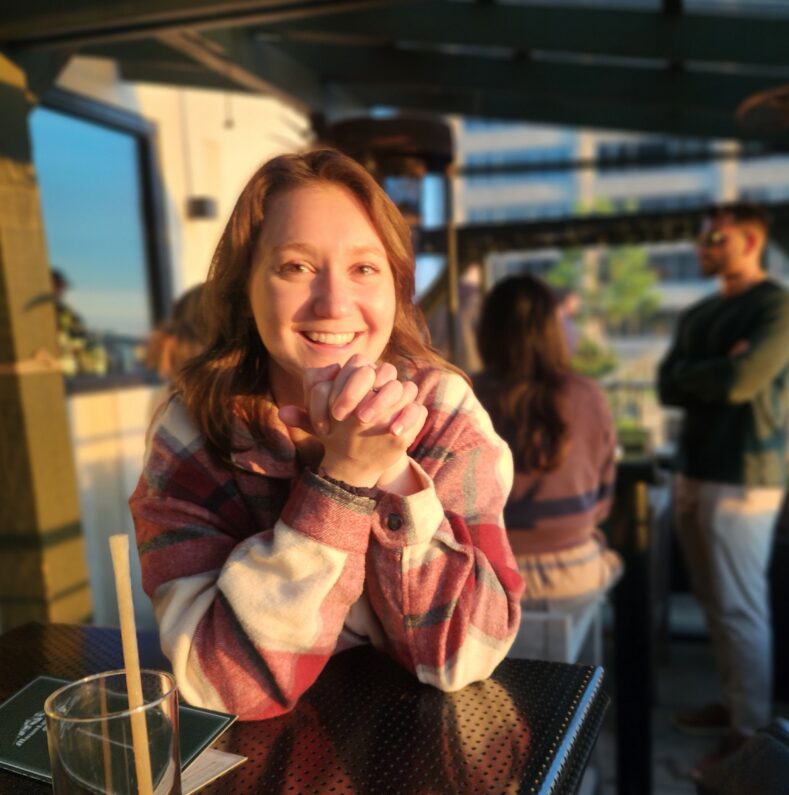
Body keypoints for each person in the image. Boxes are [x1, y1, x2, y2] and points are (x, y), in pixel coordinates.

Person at [129, 150, 523, 721]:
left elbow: (462, 654)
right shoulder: (193, 432)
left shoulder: (441, 407)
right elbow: (221, 684)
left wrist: (389, 468)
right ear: (246, 287)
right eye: (296, 267)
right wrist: (342, 480)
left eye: (364, 268)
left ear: (395, 288)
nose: (335, 303)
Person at [656, 202, 789, 775]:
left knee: (740, 607)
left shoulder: (778, 306)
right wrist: (713, 369)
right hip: (695, 469)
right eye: (700, 239)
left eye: (713, 239)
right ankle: (733, 704)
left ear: (749, 239)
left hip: (745, 476)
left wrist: (717, 371)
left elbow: (743, 383)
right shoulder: (699, 313)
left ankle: (751, 737)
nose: (703, 248)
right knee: (716, 603)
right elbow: (668, 385)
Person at [474, 275, 621, 609]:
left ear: (488, 331)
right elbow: (603, 501)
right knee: (611, 560)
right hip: (574, 575)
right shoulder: (587, 395)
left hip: (490, 578)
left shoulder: (465, 394)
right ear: (552, 331)